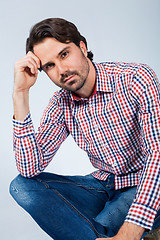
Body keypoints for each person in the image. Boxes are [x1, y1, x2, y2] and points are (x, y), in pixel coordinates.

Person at [10, 18, 160, 240]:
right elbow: (29, 168)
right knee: (21, 187)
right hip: (101, 185)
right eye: (49, 66)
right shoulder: (61, 103)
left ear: (82, 47)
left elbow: (157, 155)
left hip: (143, 183)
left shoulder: (135, 79)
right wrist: (20, 93)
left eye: (64, 54)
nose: (61, 70)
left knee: (102, 227)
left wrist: (128, 234)